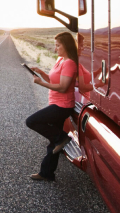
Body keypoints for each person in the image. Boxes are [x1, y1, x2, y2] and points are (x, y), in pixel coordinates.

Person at [26, 32, 79, 181]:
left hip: (63, 105)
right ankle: (47, 173)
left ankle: (62, 138)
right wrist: (42, 73)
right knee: (53, 143)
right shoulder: (61, 60)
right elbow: (53, 81)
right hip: (56, 103)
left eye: (58, 45)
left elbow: (62, 88)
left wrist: (40, 83)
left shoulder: (69, 63)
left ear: (66, 45)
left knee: (31, 121)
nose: (55, 49)